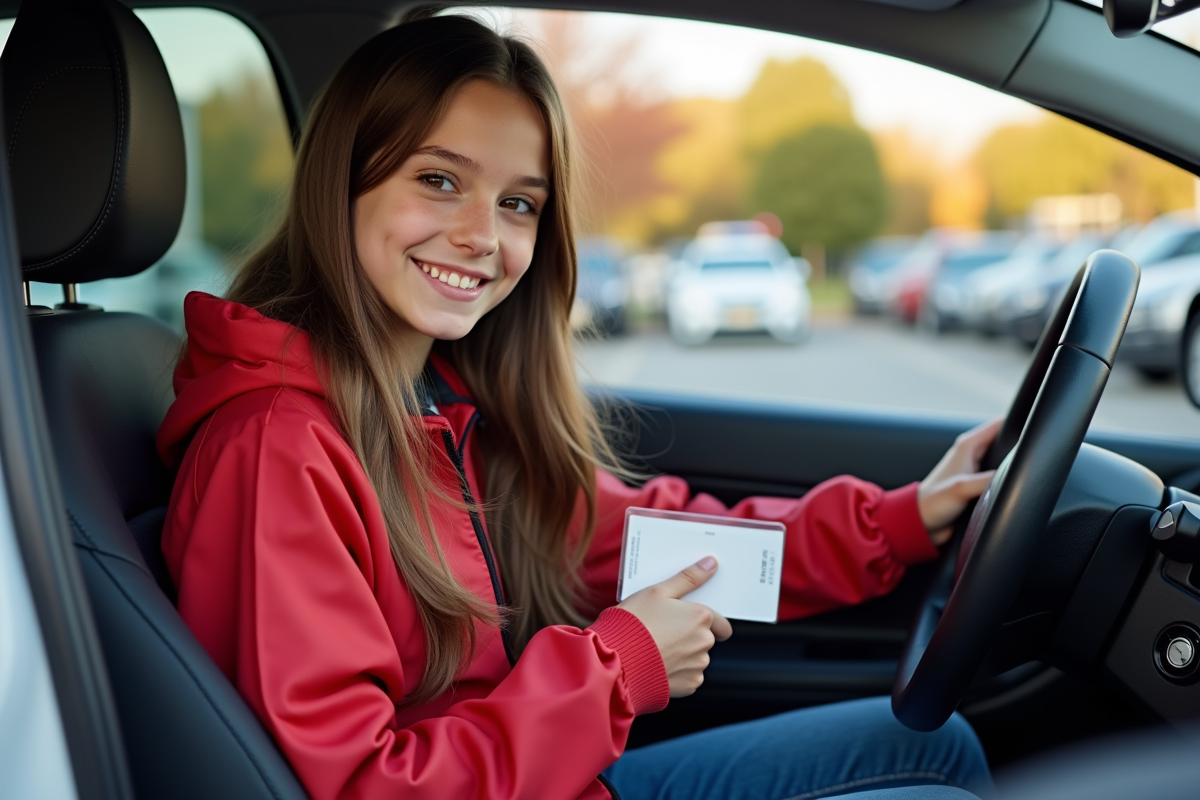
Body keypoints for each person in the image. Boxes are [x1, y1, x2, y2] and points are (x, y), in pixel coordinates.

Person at [156, 13, 997, 800]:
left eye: (518, 203)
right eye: (440, 180)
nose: (483, 235)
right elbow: (362, 784)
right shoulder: (276, 449)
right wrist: (618, 668)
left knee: (937, 746)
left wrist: (900, 522)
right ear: (343, 182)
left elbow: (666, 543)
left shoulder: (445, 412)